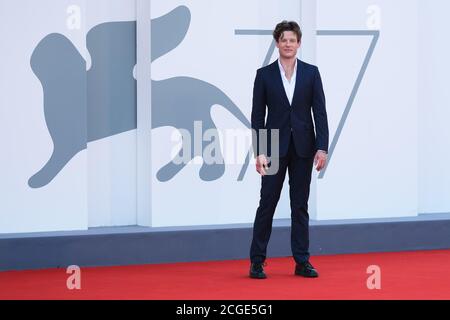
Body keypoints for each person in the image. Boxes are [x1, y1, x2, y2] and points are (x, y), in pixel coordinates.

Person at [249, 20, 329, 279]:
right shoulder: (264, 75)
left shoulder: (311, 73)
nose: (288, 44)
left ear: (299, 43)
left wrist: (322, 147)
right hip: (272, 145)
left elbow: (320, 112)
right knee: (267, 204)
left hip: (304, 147)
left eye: (292, 40)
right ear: (277, 43)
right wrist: (259, 150)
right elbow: (257, 115)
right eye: (283, 40)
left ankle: (302, 261)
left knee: (300, 206)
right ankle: (257, 261)